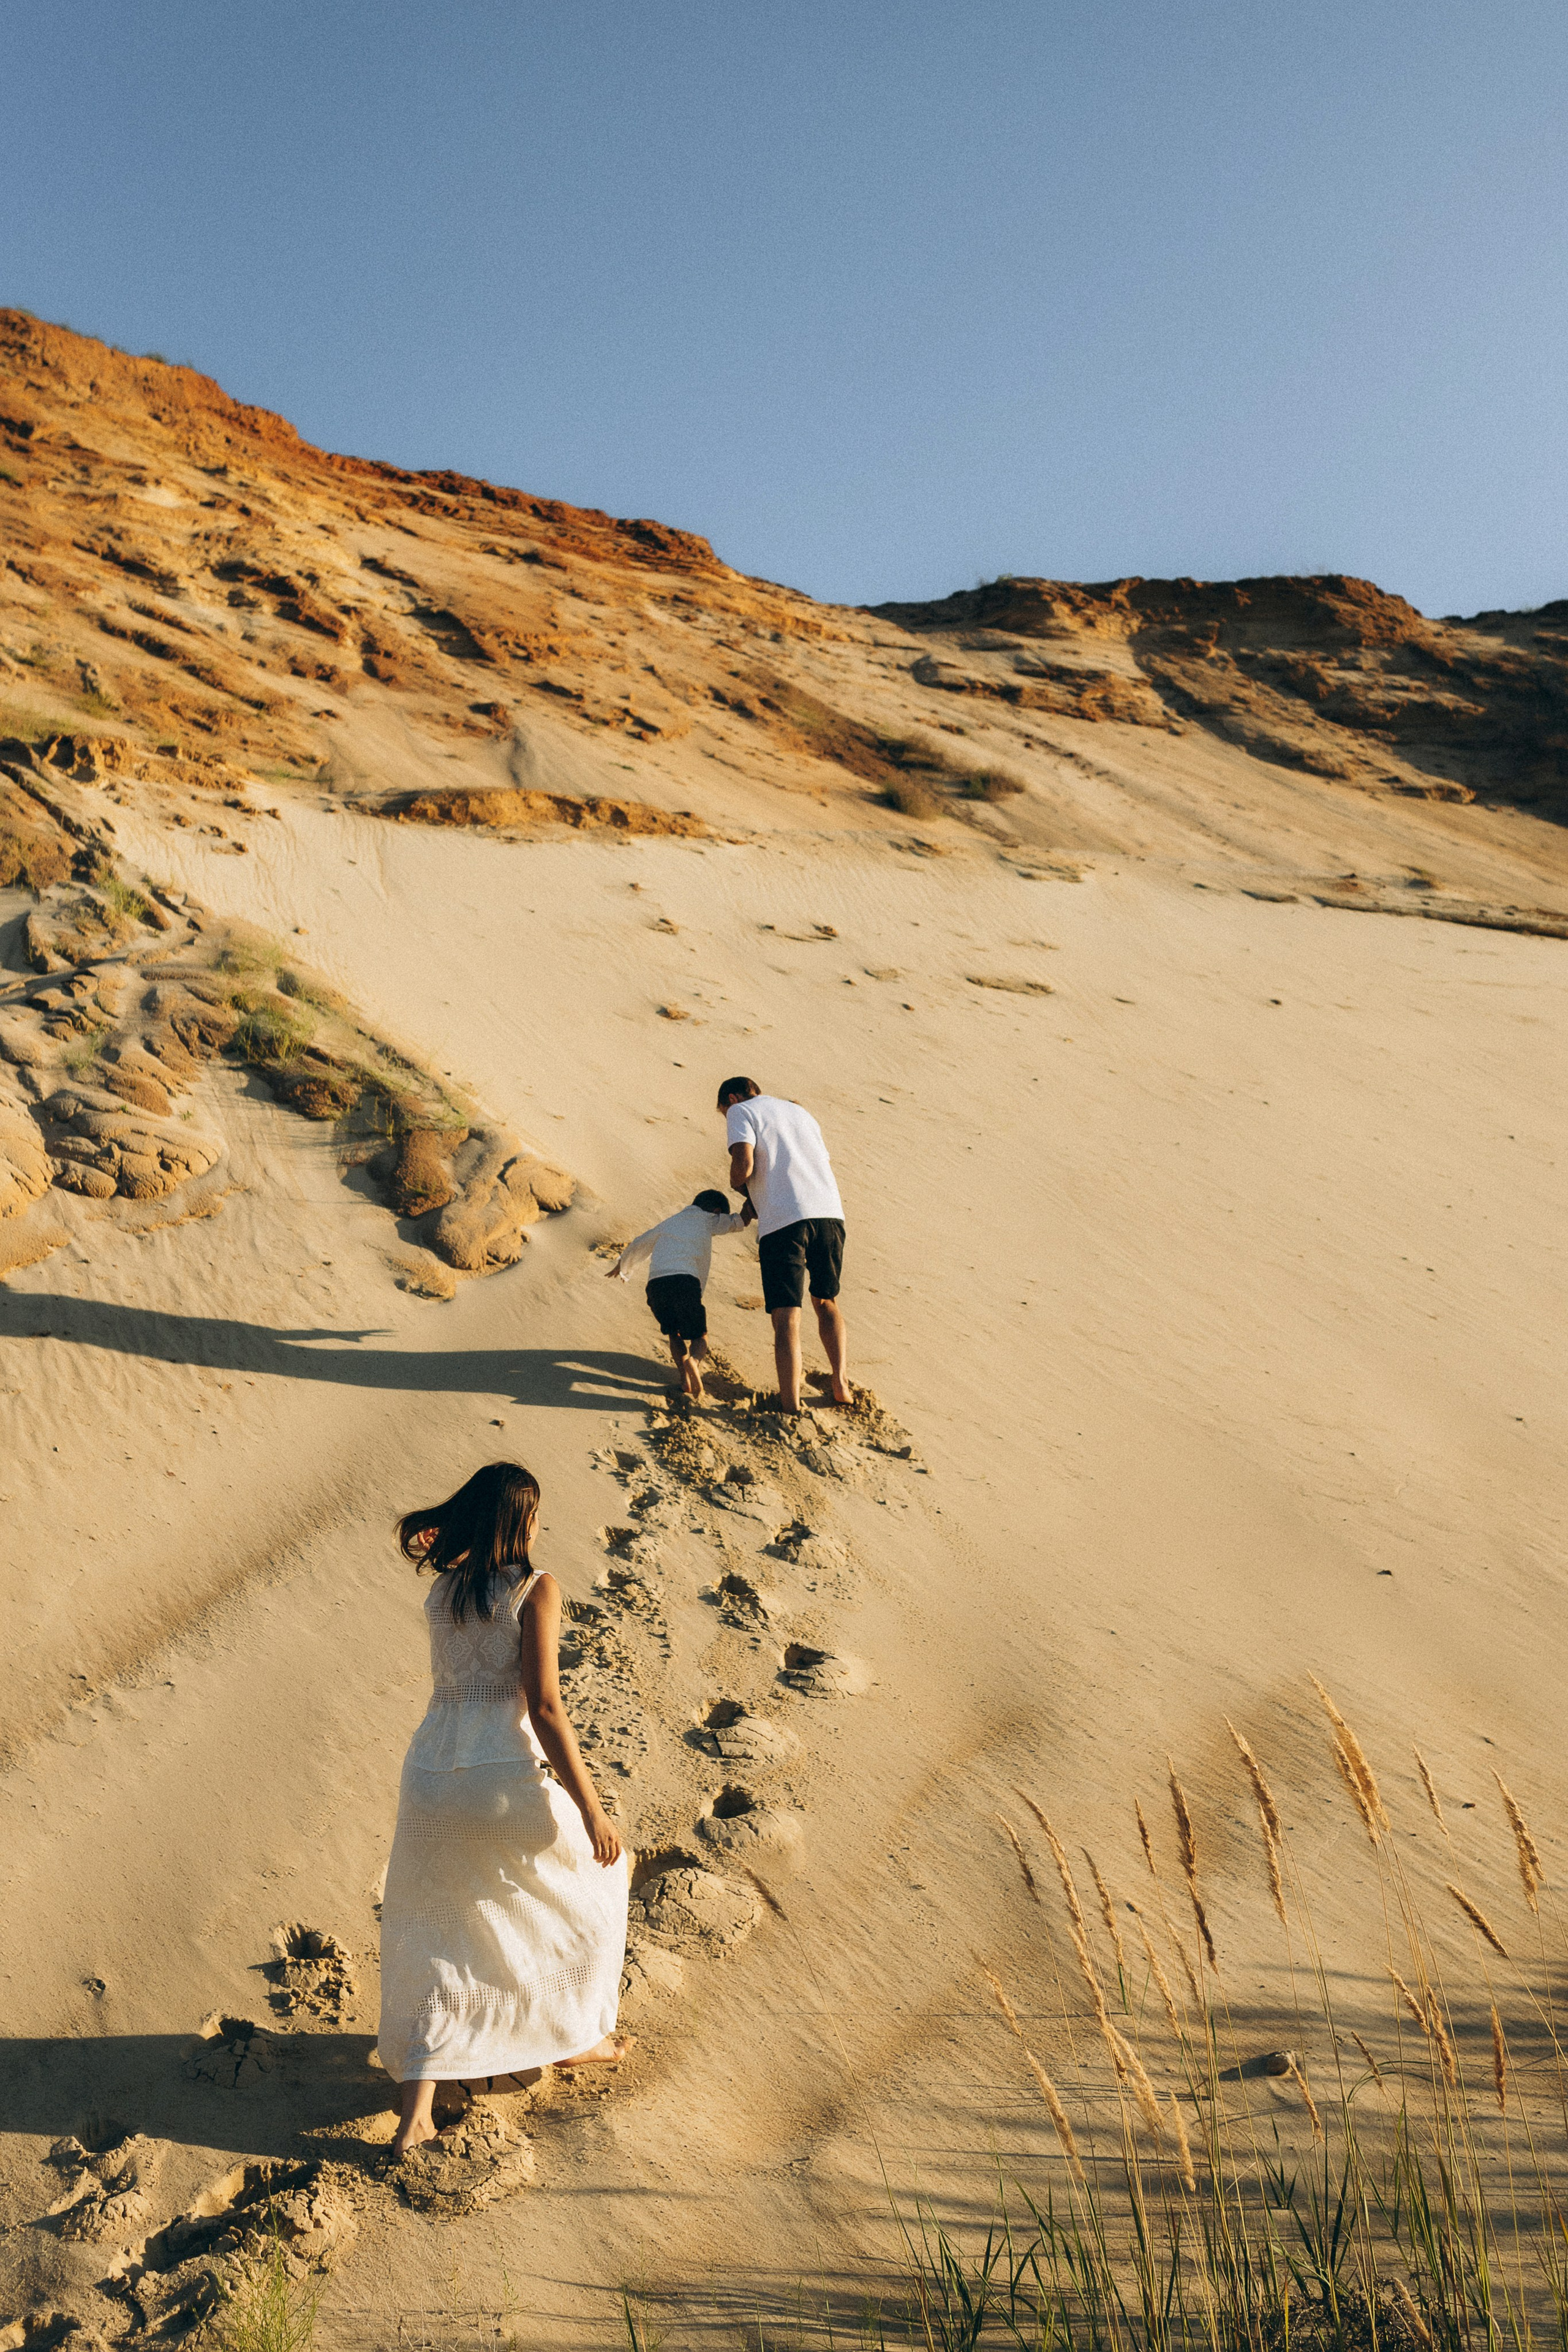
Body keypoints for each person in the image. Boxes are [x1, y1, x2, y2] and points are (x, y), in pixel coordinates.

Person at [377, 1461, 628, 2159]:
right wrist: (592, 1809)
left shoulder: (443, 1592)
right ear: (523, 1521)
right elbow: (544, 1706)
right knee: (595, 1882)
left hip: (429, 1774)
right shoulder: (536, 1587)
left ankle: (416, 2115)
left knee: (437, 1932)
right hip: (499, 1776)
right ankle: (578, 2036)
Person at [717, 1076, 850, 1415]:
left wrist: (739, 1186)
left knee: (787, 1317)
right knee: (826, 1301)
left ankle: (790, 1404)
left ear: (732, 1098)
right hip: (830, 1215)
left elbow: (743, 1166)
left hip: (784, 1223)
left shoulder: (740, 1111)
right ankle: (840, 1382)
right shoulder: (800, 1112)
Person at [606, 1186, 752, 1401]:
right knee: (700, 1337)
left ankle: (685, 1379)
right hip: (684, 1282)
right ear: (716, 1210)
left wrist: (623, 1264)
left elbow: (640, 1242)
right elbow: (742, 1220)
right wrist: (754, 1200)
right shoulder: (709, 1218)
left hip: (656, 1286)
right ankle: (693, 1361)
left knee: (674, 1333)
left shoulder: (670, 1222)